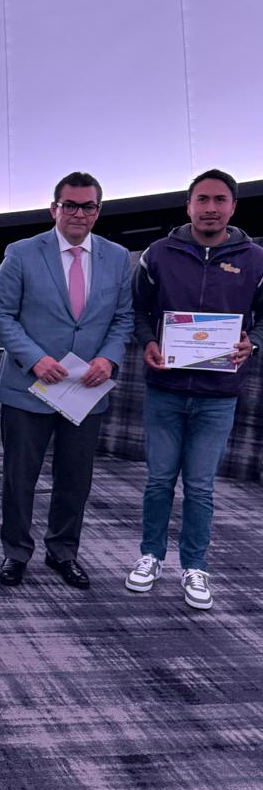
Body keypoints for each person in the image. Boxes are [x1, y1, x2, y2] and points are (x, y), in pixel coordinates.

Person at [0, 172, 133, 590]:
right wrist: (35, 359)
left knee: (75, 480)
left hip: (86, 389)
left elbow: (123, 319)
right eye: (70, 205)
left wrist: (108, 358)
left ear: (98, 211)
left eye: (88, 206)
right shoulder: (21, 252)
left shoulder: (117, 257)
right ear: (54, 208)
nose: (78, 214)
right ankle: (16, 552)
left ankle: (63, 551)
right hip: (30, 387)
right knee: (19, 478)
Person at [126, 169, 263, 610]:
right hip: (165, 389)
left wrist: (254, 342)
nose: (210, 208)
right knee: (159, 481)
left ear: (233, 207)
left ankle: (195, 566)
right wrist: (147, 341)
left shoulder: (256, 259)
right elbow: (138, 310)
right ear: (188, 205)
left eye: (219, 200)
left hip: (218, 395)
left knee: (200, 487)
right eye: (202, 199)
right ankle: (151, 556)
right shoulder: (158, 254)